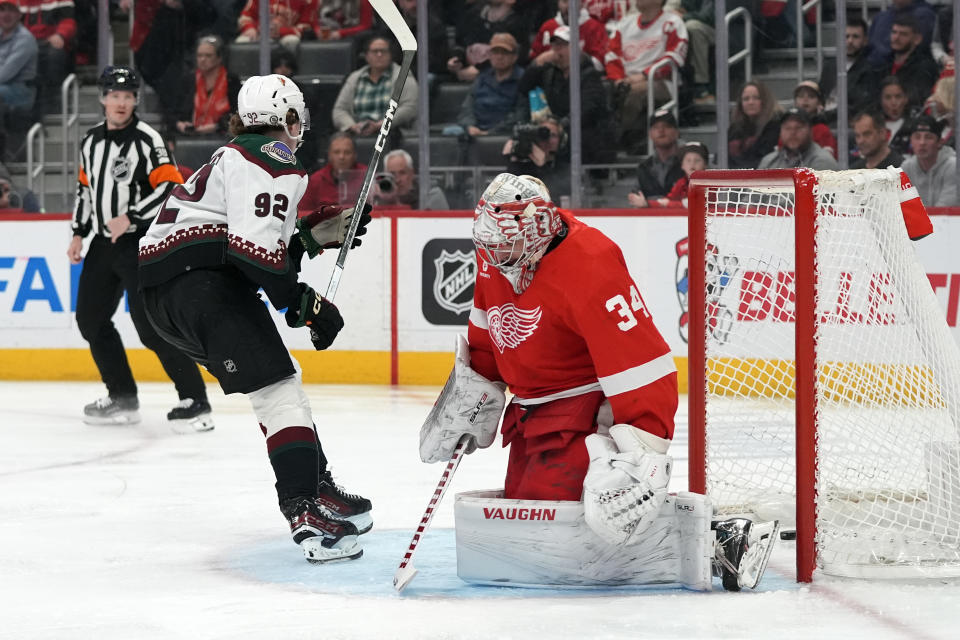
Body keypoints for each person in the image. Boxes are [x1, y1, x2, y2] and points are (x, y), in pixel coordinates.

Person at [417, 173, 776, 590]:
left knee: (579, 525)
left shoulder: (590, 262)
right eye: (488, 242)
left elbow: (642, 364)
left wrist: (644, 455)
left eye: (504, 244)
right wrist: (471, 396)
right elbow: (486, 328)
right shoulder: (498, 251)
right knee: (530, 520)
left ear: (538, 228)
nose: (494, 254)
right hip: (531, 416)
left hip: (581, 415)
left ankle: (723, 540)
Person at [139, 74, 375, 563]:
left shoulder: (233, 156)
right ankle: (305, 510)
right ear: (288, 119)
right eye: (297, 117)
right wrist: (303, 302)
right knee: (279, 392)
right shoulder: (274, 157)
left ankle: (316, 486)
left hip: (165, 295)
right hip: (201, 285)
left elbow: (243, 242)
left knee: (278, 387)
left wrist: (309, 237)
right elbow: (254, 256)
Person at [67, 66, 214, 430]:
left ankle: (195, 400)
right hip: (103, 242)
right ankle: (122, 397)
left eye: (128, 96)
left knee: (151, 327)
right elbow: (86, 191)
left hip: (139, 242)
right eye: (114, 95)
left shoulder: (148, 140)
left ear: (136, 100)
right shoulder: (90, 141)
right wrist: (77, 232)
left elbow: (171, 189)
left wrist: (131, 217)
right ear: (102, 98)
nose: (121, 102)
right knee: (90, 320)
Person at [513, 26, 612, 162]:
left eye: (563, 45)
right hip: (558, 129)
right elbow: (523, 87)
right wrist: (537, 63)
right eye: (554, 45)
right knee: (525, 138)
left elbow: (588, 109)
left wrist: (560, 125)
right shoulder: (550, 72)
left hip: (587, 133)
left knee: (568, 136)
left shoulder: (589, 74)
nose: (557, 50)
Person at [605, 0, 688, 149]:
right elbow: (612, 55)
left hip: (661, 82)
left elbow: (675, 56)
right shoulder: (625, 24)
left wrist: (644, 75)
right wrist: (618, 79)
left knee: (635, 92)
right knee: (602, 90)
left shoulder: (672, 22)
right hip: (626, 79)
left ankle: (618, 141)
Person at [332, 35, 419, 136]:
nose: (379, 54)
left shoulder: (404, 75)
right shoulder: (354, 78)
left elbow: (410, 108)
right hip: (357, 133)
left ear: (391, 55)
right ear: (366, 56)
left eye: (383, 51)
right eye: (374, 51)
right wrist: (352, 126)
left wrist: (380, 125)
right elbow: (339, 110)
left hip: (392, 134)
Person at [456, 32, 524, 138]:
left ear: (514, 57)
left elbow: (520, 115)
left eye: (505, 52)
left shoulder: (523, 79)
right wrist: (470, 126)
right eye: (495, 52)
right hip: (474, 130)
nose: (499, 57)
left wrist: (490, 133)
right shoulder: (481, 78)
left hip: (504, 135)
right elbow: (467, 107)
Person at [819, 18, 881, 124]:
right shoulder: (830, 65)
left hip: (850, 123)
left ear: (865, 40)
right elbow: (821, 93)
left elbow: (859, 105)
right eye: (846, 36)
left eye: (855, 37)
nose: (850, 41)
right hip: (824, 119)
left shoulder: (871, 69)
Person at [176, 35, 241, 136]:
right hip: (192, 136)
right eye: (199, 55)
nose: (202, 59)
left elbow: (237, 112)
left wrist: (218, 126)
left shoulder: (231, 80)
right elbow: (175, 111)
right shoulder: (188, 80)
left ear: (219, 58)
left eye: (208, 56)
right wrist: (180, 123)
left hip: (224, 135)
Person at [18, 0, 75, 114]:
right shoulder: (16, 3)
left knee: (54, 55)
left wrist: (60, 35)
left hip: (51, 43)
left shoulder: (60, 1)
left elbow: (68, 21)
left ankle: (54, 102)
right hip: (23, 44)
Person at [0, 0, 38, 159]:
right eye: (2, 10)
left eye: (11, 10)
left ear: (19, 14)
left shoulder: (25, 39)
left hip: (20, 91)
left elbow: (4, 75)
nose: (5, 14)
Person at [529, 0, 607, 71]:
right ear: (558, 3)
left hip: (584, 80)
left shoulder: (595, 28)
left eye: (574, 2)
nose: (569, 6)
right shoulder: (548, 27)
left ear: (581, 3)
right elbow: (534, 60)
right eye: (565, 1)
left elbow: (599, 63)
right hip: (549, 81)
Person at [299, 132, 368, 212]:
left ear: (355, 155)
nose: (341, 157)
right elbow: (303, 214)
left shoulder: (367, 176)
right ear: (329, 155)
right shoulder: (315, 180)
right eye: (336, 152)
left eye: (347, 152)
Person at [503, 116, 570, 199]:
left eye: (553, 135)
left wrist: (542, 166)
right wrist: (512, 159)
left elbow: (557, 194)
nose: (548, 139)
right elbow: (510, 193)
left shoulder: (565, 167)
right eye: (543, 134)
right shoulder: (524, 165)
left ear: (561, 140)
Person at [628, 109, 684, 207]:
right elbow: (635, 202)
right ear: (650, 134)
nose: (661, 131)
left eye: (666, 126)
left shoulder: (690, 164)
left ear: (677, 132)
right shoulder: (644, 168)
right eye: (655, 127)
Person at [882, 15, 939, 109]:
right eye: (894, 32)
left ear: (917, 39)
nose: (896, 37)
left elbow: (918, 100)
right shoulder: (884, 63)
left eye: (903, 34)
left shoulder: (924, 66)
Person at [901, 114, 958, 207]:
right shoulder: (906, 168)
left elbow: (946, 208)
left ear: (940, 142)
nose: (922, 142)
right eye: (917, 137)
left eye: (928, 137)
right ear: (911, 141)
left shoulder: (953, 166)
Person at [757, 108, 839, 170]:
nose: (792, 132)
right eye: (787, 128)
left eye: (798, 127)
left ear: (810, 130)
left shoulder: (823, 162)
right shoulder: (768, 162)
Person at [632, 141, 707, 208]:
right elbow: (667, 200)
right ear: (682, 165)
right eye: (688, 160)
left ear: (705, 165)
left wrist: (665, 204)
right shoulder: (681, 183)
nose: (692, 163)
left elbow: (694, 204)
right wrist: (646, 203)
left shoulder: (709, 184)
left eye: (697, 160)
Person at [727, 81, 781, 170]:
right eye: (746, 99)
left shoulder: (774, 125)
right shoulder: (734, 128)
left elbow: (765, 157)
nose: (750, 102)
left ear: (765, 100)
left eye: (756, 98)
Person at [866, 0, 937, 68]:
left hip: (907, 72)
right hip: (872, 71)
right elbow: (868, 47)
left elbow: (916, 50)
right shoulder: (881, 17)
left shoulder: (925, 15)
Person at [374, 148, 449, 209]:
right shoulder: (377, 198)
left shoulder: (430, 197)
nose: (397, 180)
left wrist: (394, 201)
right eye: (392, 174)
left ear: (412, 173)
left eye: (402, 173)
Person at [236, 0, 317, 53]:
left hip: (287, 34)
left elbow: (307, 26)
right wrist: (249, 28)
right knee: (242, 42)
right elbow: (246, 16)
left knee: (292, 40)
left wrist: (281, 31)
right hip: (259, 32)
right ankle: (249, 76)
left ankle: (287, 74)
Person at [792, 80, 837, 158]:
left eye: (811, 96)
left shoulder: (823, 130)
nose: (805, 99)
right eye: (801, 96)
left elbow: (827, 161)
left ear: (819, 102)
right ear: (795, 102)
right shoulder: (787, 128)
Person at [879, 76, 916, 156]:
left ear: (906, 99)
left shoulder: (914, 127)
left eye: (898, 97)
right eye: (888, 97)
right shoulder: (872, 125)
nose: (893, 103)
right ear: (881, 100)